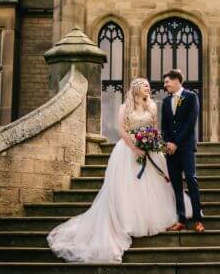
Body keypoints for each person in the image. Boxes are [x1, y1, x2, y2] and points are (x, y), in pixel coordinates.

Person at [46, 77, 187, 263]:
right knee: (127, 187)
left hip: (150, 151)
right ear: (136, 89)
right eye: (145, 87)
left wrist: (152, 143)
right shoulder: (125, 108)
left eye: (148, 88)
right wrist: (136, 148)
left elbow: (154, 129)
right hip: (127, 151)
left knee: (152, 186)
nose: (148, 90)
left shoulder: (152, 106)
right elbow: (122, 130)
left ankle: (149, 217)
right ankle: (125, 221)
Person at [160, 69, 205, 232]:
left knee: (191, 181)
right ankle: (181, 220)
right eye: (165, 82)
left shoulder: (191, 97)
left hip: (185, 148)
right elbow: (164, 125)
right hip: (171, 150)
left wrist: (176, 143)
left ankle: (198, 220)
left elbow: (190, 123)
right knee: (176, 185)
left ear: (177, 80)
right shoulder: (165, 102)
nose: (165, 85)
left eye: (167, 82)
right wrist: (168, 142)